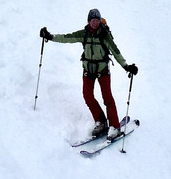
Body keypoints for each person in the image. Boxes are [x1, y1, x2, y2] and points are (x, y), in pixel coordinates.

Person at [40, 8, 138, 139]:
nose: (95, 23)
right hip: (88, 70)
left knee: (107, 98)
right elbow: (66, 38)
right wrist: (50, 36)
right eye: (93, 20)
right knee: (87, 96)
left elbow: (116, 52)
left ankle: (114, 127)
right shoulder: (84, 34)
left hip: (103, 71)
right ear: (88, 21)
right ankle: (101, 122)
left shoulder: (104, 35)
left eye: (97, 20)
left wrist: (126, 66)